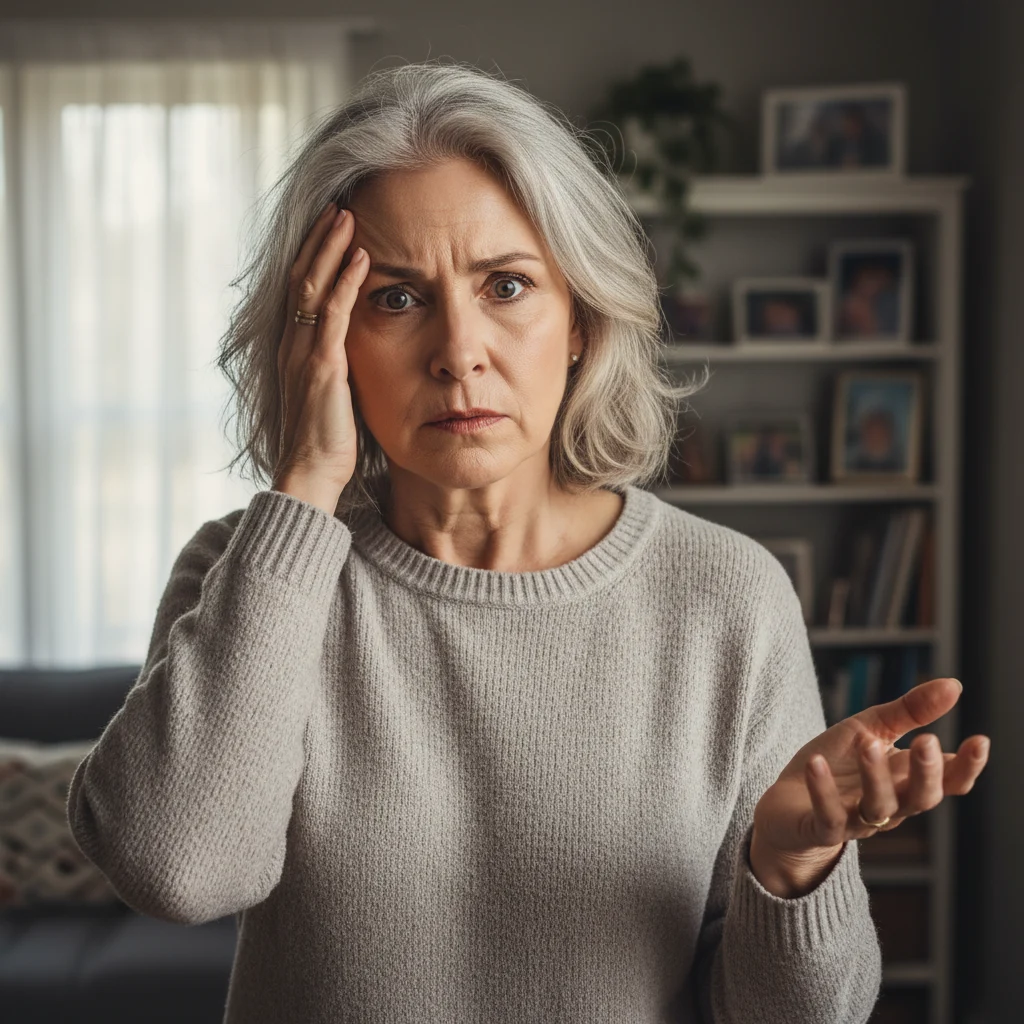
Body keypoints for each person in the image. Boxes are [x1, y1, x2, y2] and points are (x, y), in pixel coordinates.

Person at [66, 60, 990, 1024]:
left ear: (581, 320)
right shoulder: (246, 573)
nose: (458, 349)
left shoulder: (726, 596)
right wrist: (303, 488)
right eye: (393, 298)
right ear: (322, 341)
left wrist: (792, 864)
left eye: (506, 285)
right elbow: (179, 871)